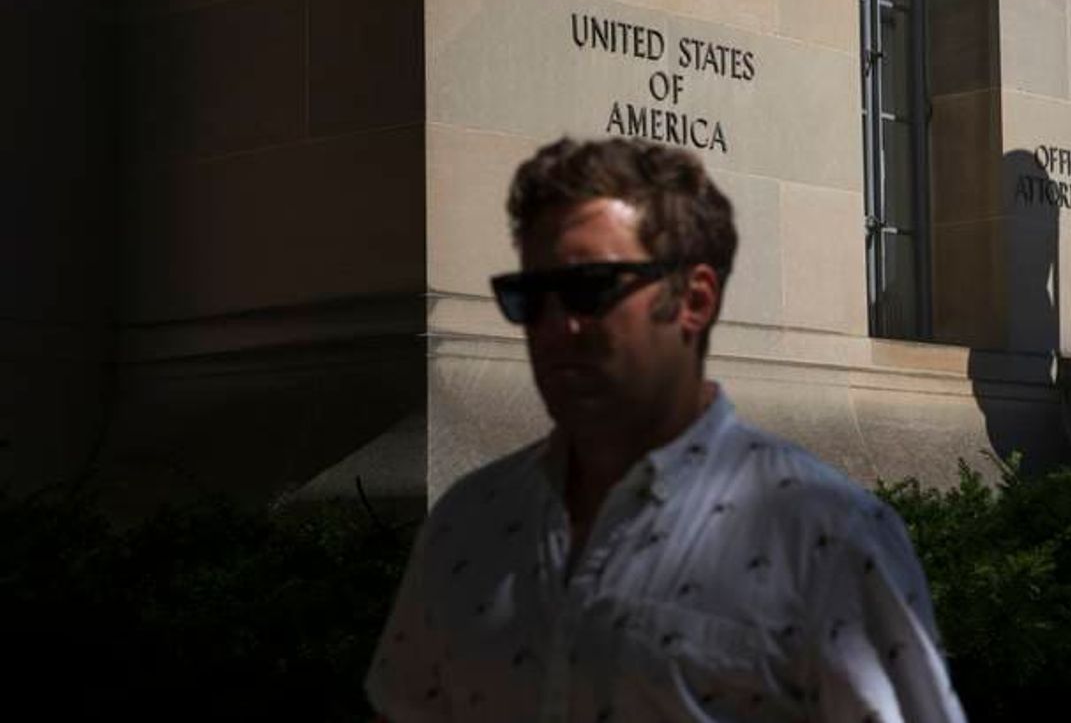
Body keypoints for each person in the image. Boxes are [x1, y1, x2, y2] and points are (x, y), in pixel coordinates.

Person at [365, 137, 966, 722]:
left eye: (589, 289)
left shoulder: (827, 537)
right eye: (532, 296)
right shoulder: (467, 524)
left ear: (695, 299)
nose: (555, 327)